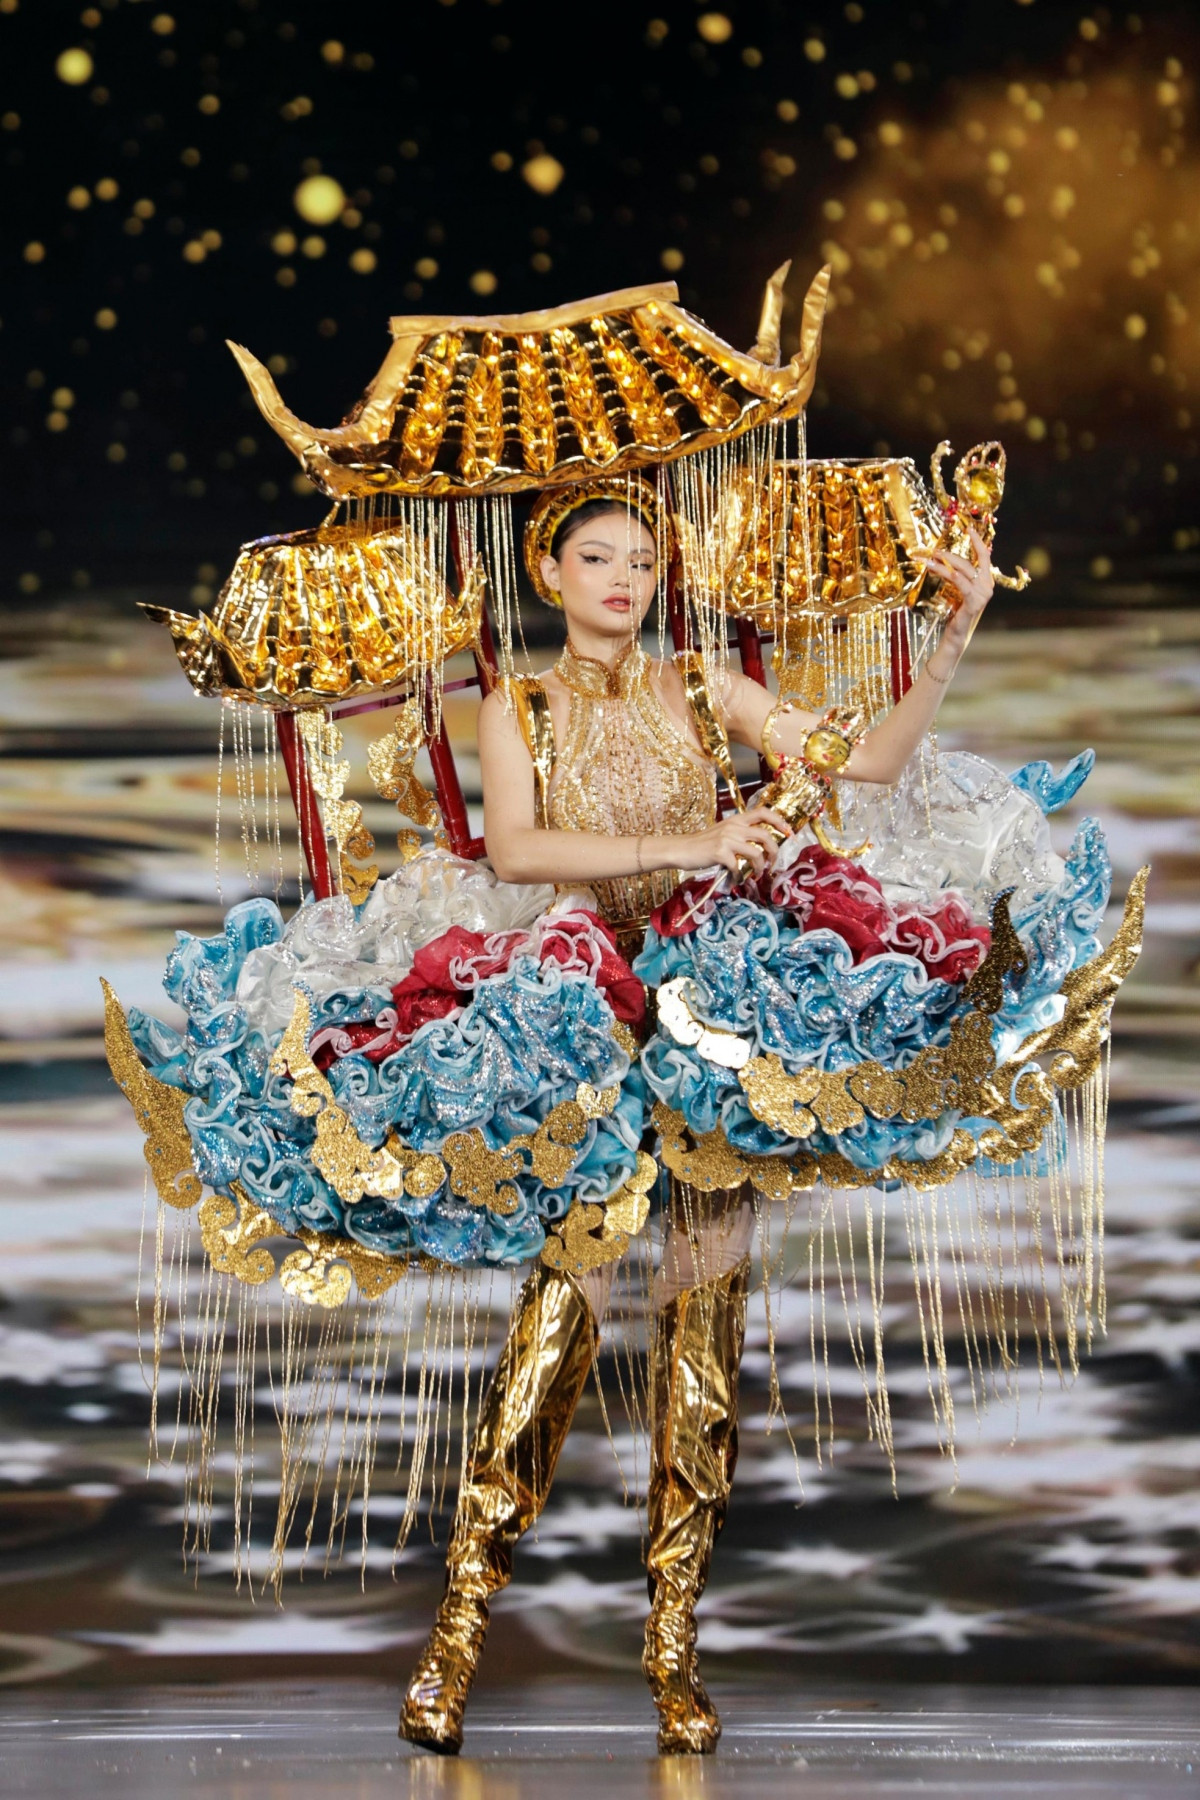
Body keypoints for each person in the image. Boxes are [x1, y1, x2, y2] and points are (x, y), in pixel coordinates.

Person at [398, 474, 995, 1757]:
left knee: (705, 1339)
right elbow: (515, 852)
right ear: (550, 576)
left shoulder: (703, 686)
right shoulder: (523, 705)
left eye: (643, 557)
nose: (625, 577)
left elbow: (869, 762)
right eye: (596, 556)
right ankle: (458, 1631)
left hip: (707, 1026)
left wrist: (954, 628)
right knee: (555, 1332)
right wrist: (693, 843)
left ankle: (673, 1646)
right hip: (585, 1028)